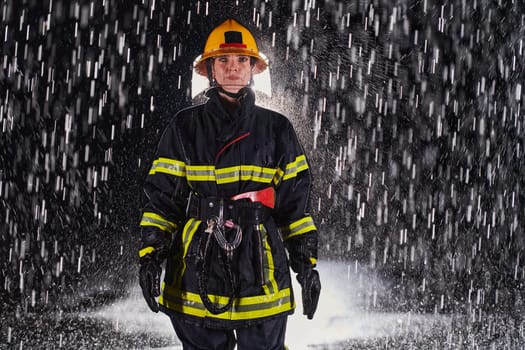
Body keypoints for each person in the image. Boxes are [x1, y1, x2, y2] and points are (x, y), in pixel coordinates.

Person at [138, 18, 321, 350]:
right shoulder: (184, 127)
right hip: (198, 265)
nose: (232, 68)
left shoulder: (277, 129)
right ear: (210, 68)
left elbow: (295, 208)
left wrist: (306, 266)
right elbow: (162, 202)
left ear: (253, 68)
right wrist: (151, 255)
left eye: (241, 60)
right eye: (223, 60)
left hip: (260, 265)